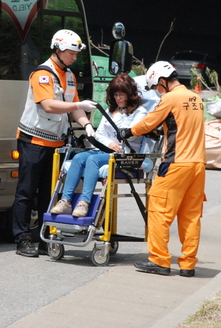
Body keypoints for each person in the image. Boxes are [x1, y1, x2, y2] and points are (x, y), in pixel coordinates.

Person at [12, 29, 97, 257]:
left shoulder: (69, 76)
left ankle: (44, 237)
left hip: (55, 144)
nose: (74, 58)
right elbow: (48, 105)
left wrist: (87, 125)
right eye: (71, 53)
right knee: (26, 192)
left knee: (50, 194)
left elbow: (75, 107)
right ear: (58, 49)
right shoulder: (42, 74)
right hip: (33, 141)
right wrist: (78, 107)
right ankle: (21, 239)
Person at [119, 61, 206, 277]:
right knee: (190, 216)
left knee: (158, 210)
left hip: (176, 163)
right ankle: (187, 265)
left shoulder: (169, 98)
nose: (157, 92)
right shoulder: (195, 98)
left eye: (156, 88)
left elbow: (148, 122)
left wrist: (128, 132)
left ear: (162, 81)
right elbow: (180, 126)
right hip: (198, 165)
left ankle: (159, 260)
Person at [50, 73, 147, 217]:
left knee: (92, 160)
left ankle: (85, 203)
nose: (118, 98)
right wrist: (109, 142)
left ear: (130, 94)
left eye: (122, 94)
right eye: (115, 95)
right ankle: (66, 201)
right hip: (105, 150)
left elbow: (130, 131)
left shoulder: (140, 112)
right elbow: (99, 134)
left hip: (125, 154)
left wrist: (118, 119)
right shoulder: (110, 111)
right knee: (79, 158)